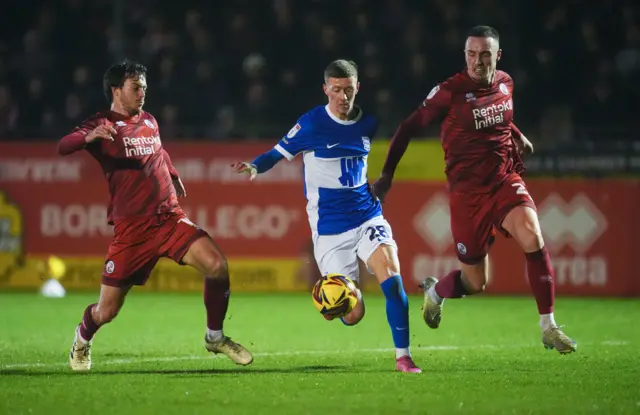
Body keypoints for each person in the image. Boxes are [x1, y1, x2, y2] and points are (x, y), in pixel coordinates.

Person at [373, 26, 577, 354]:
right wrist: (386, 175)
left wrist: (516, 134)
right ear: (464, 56)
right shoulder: (449, 92)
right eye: (471, 54)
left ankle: (549, 326)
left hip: (503, 180)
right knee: (475, 282)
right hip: (466, 195)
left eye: (484, 54)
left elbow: (499, 114)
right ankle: (436, 292)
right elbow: (408, 126)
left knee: (532, 235)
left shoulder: (506, 83)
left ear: (498, 56)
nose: (477, 61)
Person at [57, 60, 253, 371]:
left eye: (145, 88)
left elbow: (158, 151)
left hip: (169, 219)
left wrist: (172, 174)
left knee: (217, 266)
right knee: (106, 311)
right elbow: (62, 146)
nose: (142, 93)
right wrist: (88, 136)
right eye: (136, 87)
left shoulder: (148, 120)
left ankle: (215, 337)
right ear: (116, 89)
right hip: (132, 231)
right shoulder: (102, 123)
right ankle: (82, 340)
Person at [232, 59, 422, 373]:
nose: (343, 96)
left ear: (357, 87)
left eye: (348, 90)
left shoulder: (368, 123)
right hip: (330, 230)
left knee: (392, 278)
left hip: (367, 216)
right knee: (353, 314)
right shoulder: (311, 124)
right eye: (336, 90)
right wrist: (254, 166)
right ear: (325, 89)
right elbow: (276, 153)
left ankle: (403, 356)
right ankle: (331, 297)